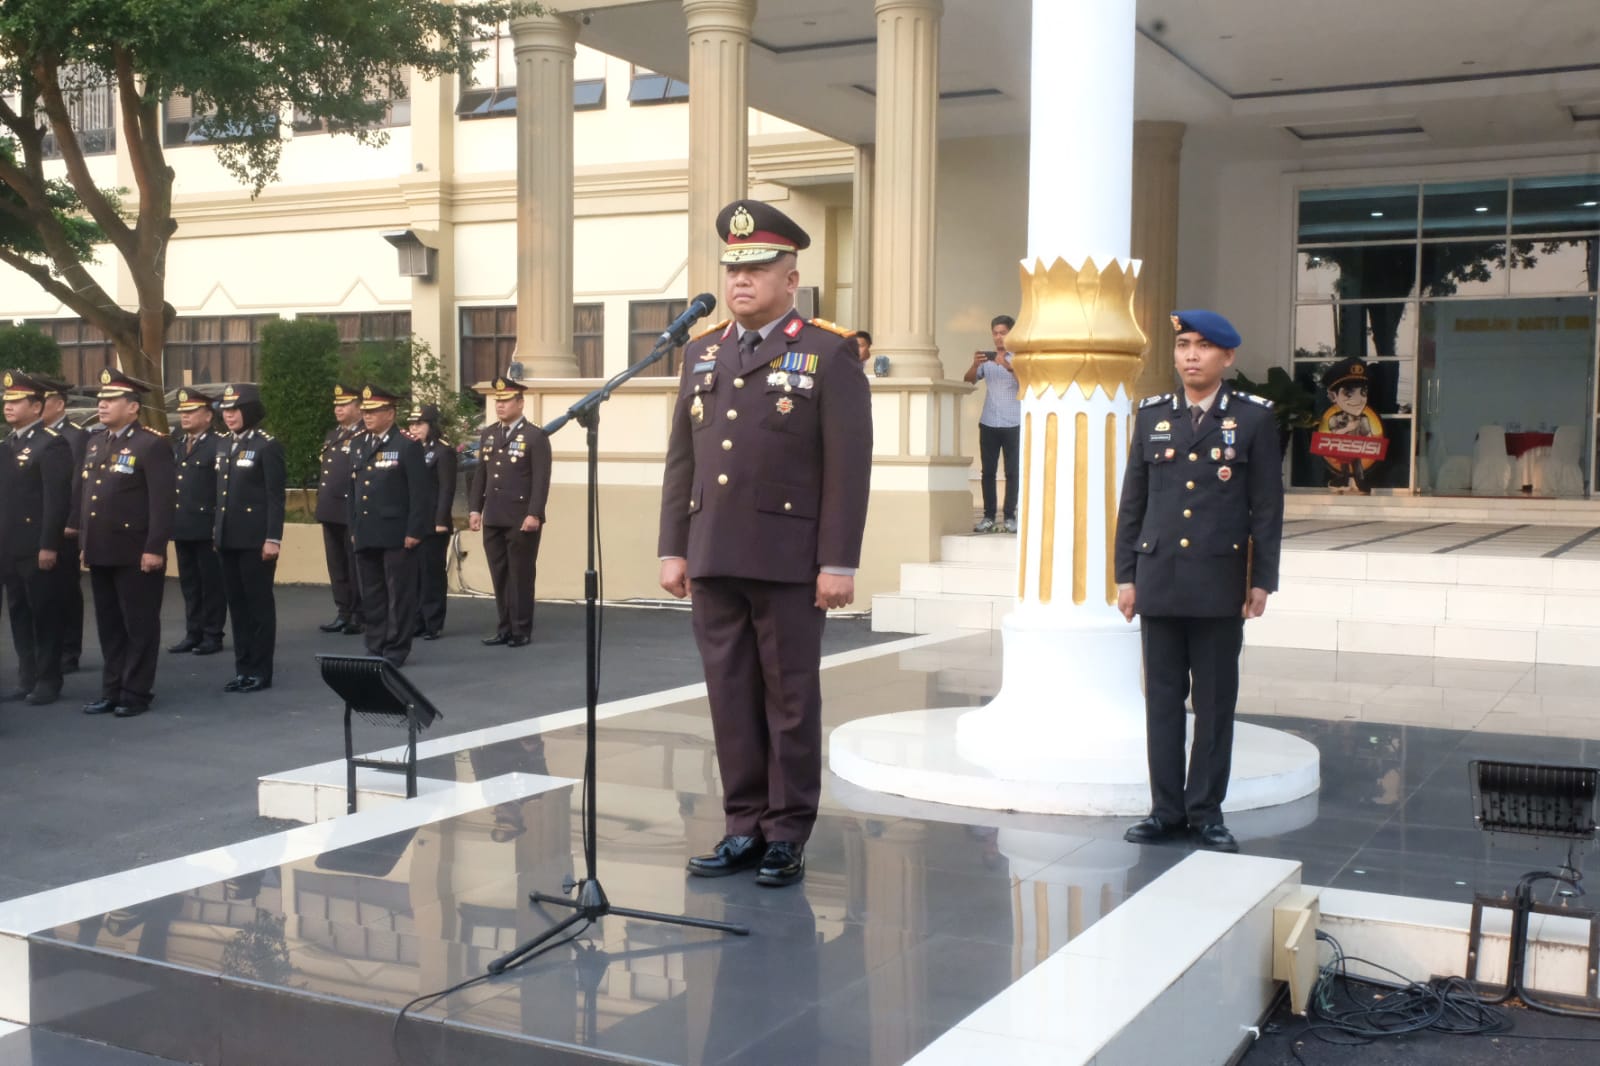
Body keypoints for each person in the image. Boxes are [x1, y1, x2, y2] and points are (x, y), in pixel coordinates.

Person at [658, 198, 872, 887]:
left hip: (787, 559)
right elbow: (682, 459)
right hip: (715, 549)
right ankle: (742, 825)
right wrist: (674, 546)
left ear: (790, 275)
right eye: (733, 268)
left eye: (757, 268)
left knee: (788, 697)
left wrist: (837, 561)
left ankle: (786, 830)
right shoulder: (701, 350)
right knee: (729, 695)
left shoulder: (826, 351)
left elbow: (847, 466)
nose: (741, 280)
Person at [1113, 309, 1284, 853]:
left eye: (1203, 347)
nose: (1190, 355)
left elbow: (1266, 508)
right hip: (1159, 577)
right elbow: (1133, 501)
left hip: (1218, 581)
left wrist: (1262, 581)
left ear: (1227, 358)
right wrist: (1125, 576)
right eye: (1183, 344)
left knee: (1213, 704)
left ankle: (1206, 811)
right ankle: (1165, 811)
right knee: (1162, 701)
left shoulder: (1253, 419)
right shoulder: (1152, 416)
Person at [80, 368, 176, 719]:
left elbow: (161, 503)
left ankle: (135, 692)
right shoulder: (96, 441)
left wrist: (154, 547)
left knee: (138, 625)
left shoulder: (151, 443)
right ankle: (111, 689)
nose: (102, 405)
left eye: (110, 400)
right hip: (102, 548)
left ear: (133, 407)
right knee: (109, 626)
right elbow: (91, 499)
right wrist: (86, 543)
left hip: (135, 551)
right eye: (100, 400)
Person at [2, 371, 74, 706]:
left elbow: (55, 500)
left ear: (36, 405)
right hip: (9, 545)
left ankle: (48, 678)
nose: (9, 407)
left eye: (16, 402)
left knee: (44, 612)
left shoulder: (51, 443)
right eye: (6, 402)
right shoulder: (8, 444)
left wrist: (49, 544)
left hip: (36, 545)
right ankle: (26, 674)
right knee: (18, 612)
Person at [349, 384, 430, 667]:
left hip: (397, 532)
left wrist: (414, 531)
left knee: (399, 594)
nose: (367, 416)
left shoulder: (406, 445)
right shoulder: (359, 443)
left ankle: (396, 647)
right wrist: (353, 527)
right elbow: (355, 490)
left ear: (390, 413)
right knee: (371, 593)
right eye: (365, 411)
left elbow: (420, 493)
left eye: (374, 411)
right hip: (367, 531)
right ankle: (375, 644)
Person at [467, 375, 551, 648]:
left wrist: (535, 513)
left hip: (520, 516)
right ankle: (504, 627)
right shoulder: (489, 433)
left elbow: (541, 479)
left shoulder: (534, 436)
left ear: (520, 403)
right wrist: (474, 509)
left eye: (505, 401)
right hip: (494, 516)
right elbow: (481, 474)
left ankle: (521, 629)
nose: (500, 406)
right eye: (497, 401)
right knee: (499, 573)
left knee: (521, 574)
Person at [214, 384, 285, 693]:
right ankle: (243, 668)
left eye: (235, 409)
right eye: (226, 411)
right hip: (228, 538)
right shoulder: (223, 445)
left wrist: (273, 538)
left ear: (251, 411)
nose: (229, 416)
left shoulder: (266, 446)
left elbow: (275, 497)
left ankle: (260, 670)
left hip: (255, 540)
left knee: (258, 606)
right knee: (237, 606)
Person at [167, 388, 227, 657]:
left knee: (211, 583)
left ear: (207, 415)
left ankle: (213, 634)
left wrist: (219, 524)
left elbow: (221, 489)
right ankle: (193, 632)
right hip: (183, 524)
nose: (185, 416)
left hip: (207, 525)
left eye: (191, 412)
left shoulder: (218, 444)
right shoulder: (178, 443)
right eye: (182, 412)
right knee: (190, 583)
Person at [39, 376, 87, 673]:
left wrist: (73, 520)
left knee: (67, 590)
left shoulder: (76, 435)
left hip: (65, 526)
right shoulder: (33, 437)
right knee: (42, 593)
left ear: (59, 404)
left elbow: (79, 481)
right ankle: (47, 650)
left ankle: (70, 650)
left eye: (41, 402)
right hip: (38, 525)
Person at [315, 384, 366, 635]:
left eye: (344, 405)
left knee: (354, 563)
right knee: (336, 564)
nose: (338, 409)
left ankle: (358, 613)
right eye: (336, 405)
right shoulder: (333, 434)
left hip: (351, 508)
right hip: (330, 508)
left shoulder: (365, 435)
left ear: (359, 408)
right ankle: (343, 611)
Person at [962, 314, 1020, 533]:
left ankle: (1009, 517)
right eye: (995, 333)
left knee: (1012, 472)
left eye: (1002, 333)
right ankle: (988, 517)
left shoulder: (1020, 359)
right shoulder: (987, 360)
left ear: (1011, 334)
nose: (998, 337)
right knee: (988, 471)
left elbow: (1027, 386)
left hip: (1014, 422)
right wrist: (975, 364)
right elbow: (968, 379)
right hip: (989, 422)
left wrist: (1007, 365)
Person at [407, 403, 457, 640]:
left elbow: (446, 489)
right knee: (414, 574)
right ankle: (417, 619)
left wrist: (441, 520)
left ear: (431, 425)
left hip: (433, 522)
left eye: (420, 424)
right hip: (414, 522)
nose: (414, 428)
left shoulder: (442, 451)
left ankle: (433, 621)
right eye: (412, 424)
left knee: (431, 574)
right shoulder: (411, 449)